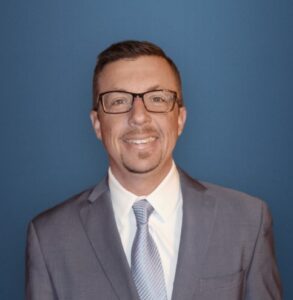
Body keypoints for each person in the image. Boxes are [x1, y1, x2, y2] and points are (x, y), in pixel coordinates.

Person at [25, 40, 282, 300]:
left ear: (180, 119)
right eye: (118, 101)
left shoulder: (247, 221)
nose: (139, 116)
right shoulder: (50, 238)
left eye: (157, 99)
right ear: (97, 124)